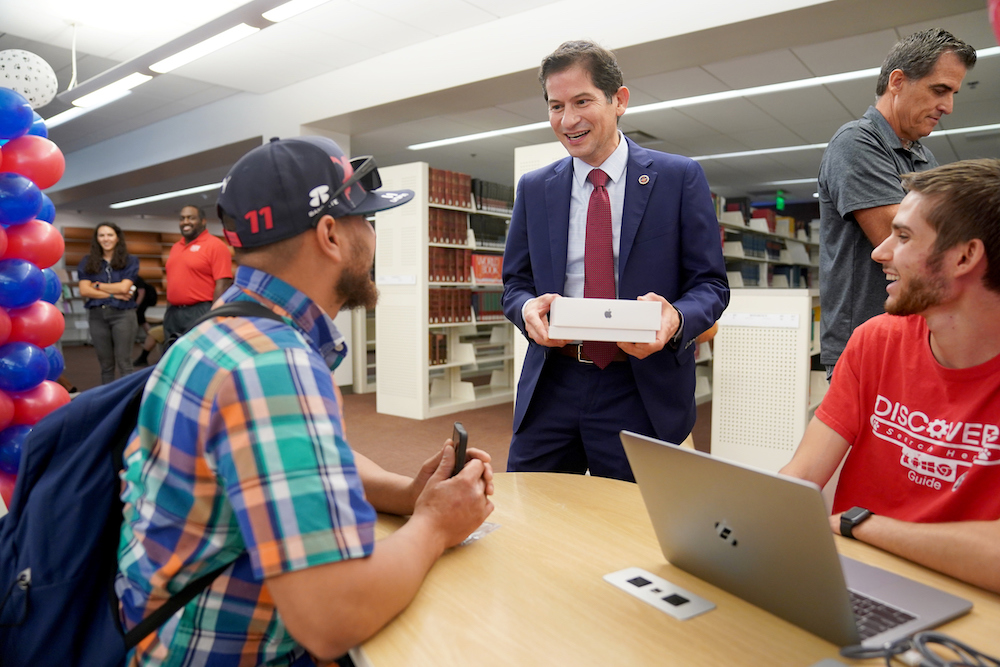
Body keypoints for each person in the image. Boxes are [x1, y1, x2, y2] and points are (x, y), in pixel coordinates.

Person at [116, 136, 495, 665]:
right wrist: (435, 525)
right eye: (366, 221)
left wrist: (407, 493)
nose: (373, 237)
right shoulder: (273, 365)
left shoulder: (223, 332)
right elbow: (331, 617)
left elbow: (303, 465)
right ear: (331, 235)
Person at [502, 40, 729, 482]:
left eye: (582, 101)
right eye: (556, 106)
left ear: (619, 100)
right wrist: (525, 308)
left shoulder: (679, 178)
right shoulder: (534, 188)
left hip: (641, 388)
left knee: (637, 531)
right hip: (554, 381)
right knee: (530, 516)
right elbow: (515, 284)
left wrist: (675, 319)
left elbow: (711, 286)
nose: (568, 120)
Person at [780, 158, 1000, 594]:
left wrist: (861, 525)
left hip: (966, 596)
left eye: (903, 236)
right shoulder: (876, 341)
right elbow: (800, 475)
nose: (880, 251)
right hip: (852, 576)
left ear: (964, 256)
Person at [818, 28, 976, 378]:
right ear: (898, 81)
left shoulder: (923, 156)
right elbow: (908, 245)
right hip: (864, 341)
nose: (947, 106)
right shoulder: (855, 143)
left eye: (952, 93)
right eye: (939, 90)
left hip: (916, 334)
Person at [77, 222, 140, 384]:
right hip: (97, 316)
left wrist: (96, 285)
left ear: (117, 238)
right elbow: (84, 290)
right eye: (102, 235)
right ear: (97, 239)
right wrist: (114, 293)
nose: (106, 239)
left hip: (123, 315)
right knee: (106, 365)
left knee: (124, 362)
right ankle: (108, 402)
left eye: (110, 235)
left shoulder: (130, 260)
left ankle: (127, 403)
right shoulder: (87, 261)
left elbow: (125, 287)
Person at [162, 204, 234, 343]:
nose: (186, 222)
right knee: (171, 356)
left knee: (198, 355)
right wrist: (168, 312)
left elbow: (223, 283)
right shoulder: (176, 247)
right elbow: (173, 283)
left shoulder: (215, 245)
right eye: (182, 218)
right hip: (173, 313)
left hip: (200, 311)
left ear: (203, 221)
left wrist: (214, 315)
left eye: (191, 218)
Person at [131, 275, 160, 367]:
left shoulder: (137, 279)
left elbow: (141, 292)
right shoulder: (134, 278)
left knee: (140, 318)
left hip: (143, 301)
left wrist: (136, 305)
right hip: (142, 301)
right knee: (141, 319)